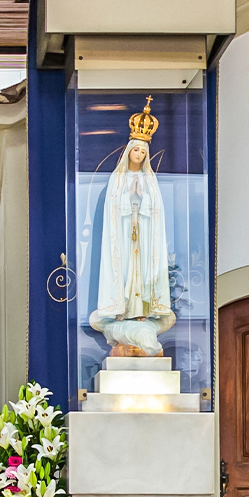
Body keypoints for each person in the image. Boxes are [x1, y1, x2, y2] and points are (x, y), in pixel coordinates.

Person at [88, 99, 175, 356]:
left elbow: (156, 211)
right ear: (128, 152)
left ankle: (141, 311)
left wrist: (142, 197)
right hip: (125, 234)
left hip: (143, 234)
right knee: (126, 270)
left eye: (143, 152)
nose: (139, 155)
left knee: (141, 271)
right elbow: (113, 210)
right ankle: (122, 309)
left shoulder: (149, 179)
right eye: (136, 151)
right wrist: (129, 197)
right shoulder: (118, 178)